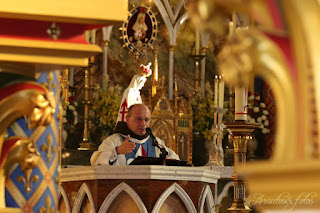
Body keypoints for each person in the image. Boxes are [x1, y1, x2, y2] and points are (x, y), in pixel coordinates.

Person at [91, 104, 179, 165]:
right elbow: (95, 161)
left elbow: (176, 161)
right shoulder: (114, 141)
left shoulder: (157, 143)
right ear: (127, 119)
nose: (143, 124)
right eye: (138, 119)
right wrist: (117, 151)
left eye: (146, 120)